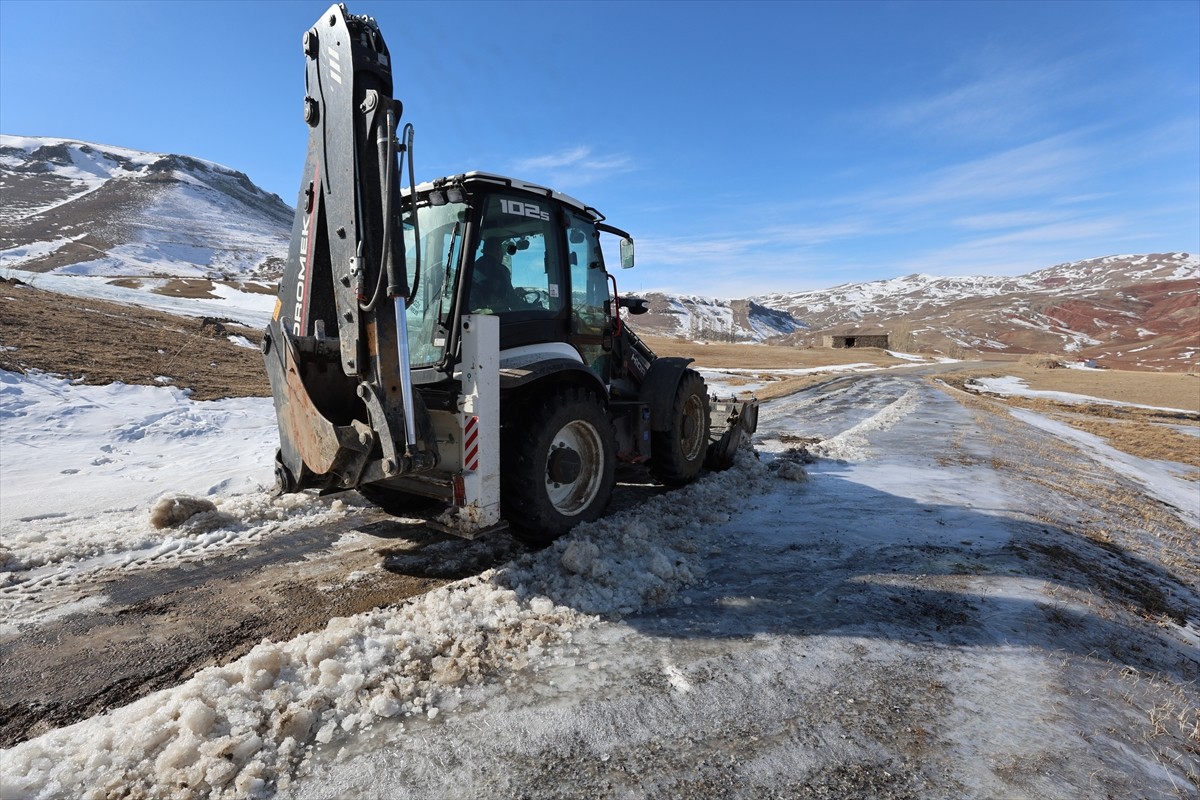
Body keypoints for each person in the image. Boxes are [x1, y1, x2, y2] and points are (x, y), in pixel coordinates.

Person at [471, 237, 517, 313]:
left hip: (475, 314)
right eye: (502, 252)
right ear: (498, 252)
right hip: (497, 316)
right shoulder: (500, 270)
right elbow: (511, 299)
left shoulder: (473, 267)